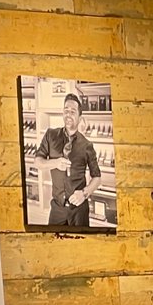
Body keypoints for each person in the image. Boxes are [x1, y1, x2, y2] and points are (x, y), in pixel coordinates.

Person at [34, 91, 102, 229]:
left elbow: (97, 177)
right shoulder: (50, 135)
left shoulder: (87, 145)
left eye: (73, 111)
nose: (68, 114)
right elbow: (37, 161)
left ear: (80, 117)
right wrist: (55, 163)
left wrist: (84, 193)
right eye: (66, 110)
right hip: (57, 209)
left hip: (79, 210)